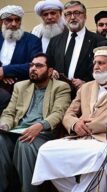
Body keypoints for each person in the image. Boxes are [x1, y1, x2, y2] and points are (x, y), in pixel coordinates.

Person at [32, 46, 107, 192]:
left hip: (105, 140)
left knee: (97, 161)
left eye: (101, 63)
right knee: (46, 151)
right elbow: (68, 114)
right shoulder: (85, 87)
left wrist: (90, 126)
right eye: (95, 63)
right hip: (80, 138)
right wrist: (75, 125)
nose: (96, 66)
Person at [0, 52, 71, 192]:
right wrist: (4, 124)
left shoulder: (61, 87)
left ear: (50, 71)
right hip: (17, 130)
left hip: (44, 133)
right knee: (0, 140)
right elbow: (9, 112)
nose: (33, 68)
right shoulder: (20, 86)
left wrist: (40, 125)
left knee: (24, 143)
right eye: (31, 65)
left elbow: (58, 113)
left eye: (39, 66)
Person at [46, 0, 105, 96]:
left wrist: (87, 84)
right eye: (68, 14)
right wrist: (52, 71)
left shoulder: (99, 41)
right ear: (64, 17)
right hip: (59, 94)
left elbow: (104, 70)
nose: (72, 17)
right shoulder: (55, 41)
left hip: (87, 94)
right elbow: (48, 64)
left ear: (85, 16)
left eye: (77, 13)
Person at [0, 5, 42, 84]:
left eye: (17, 20)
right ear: (2, 21)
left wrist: (5, 71)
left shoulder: (33, 40)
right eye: (9, 20)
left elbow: (35, 65)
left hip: (22, 85)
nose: (14, 24)